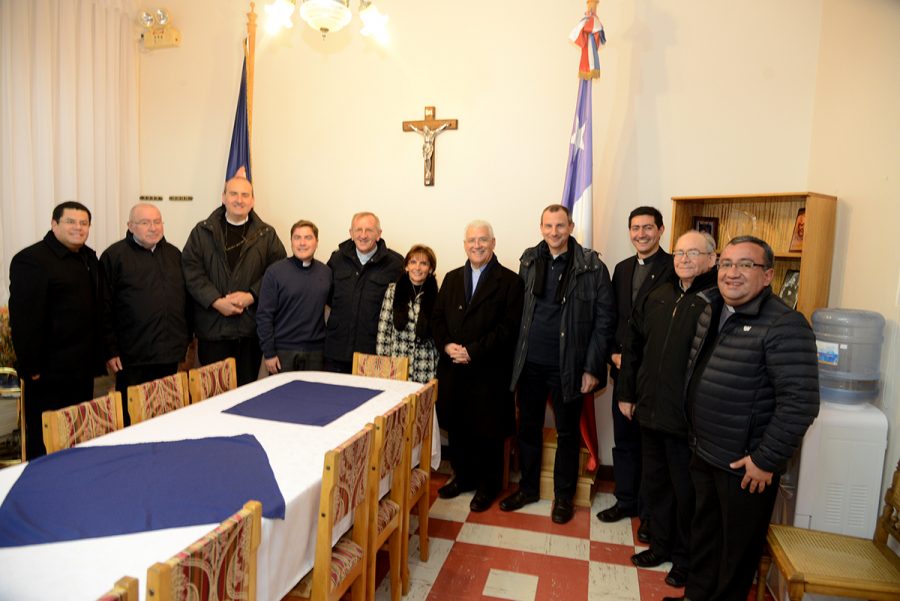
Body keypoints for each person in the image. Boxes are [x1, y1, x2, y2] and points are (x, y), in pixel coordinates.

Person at [668, 236, 819, 601]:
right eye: (727, 264)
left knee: (735, 555)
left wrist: (765, 460)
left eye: (745, 265)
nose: (732, 273)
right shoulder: (713, 309)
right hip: (706, 451)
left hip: (745, 465)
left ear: (767, 275)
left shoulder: (785, 325)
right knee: (704, 536)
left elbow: (800, 403)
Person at [499, 204, 615, 524]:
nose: (554, 232)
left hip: (570, 366)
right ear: (540, 228)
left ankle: (563, 497)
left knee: (567, 433)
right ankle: (528, 488)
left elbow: (604, 322)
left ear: (571, 226)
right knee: (529, 429)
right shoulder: (528, 260)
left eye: (560, 226)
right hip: (530, 364)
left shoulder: (591, 266)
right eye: (548, 226)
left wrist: (592, 368)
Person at [616, 230, 718, 588]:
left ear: (712, 259)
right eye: (679, 253)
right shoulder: (658, 295)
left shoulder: (716, 303)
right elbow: (632, 349)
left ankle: (685, 559)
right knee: (655, 484)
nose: (684, 260)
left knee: (685, 492)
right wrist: (626, 395)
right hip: (649, 410)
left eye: (694, 253)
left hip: (687, 421)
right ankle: (659, 545)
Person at [432, 220, 524, 512]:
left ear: (493, 243)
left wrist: (472, 351)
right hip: (454, 369)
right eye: (471, 240)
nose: (477, 245)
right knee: (458, 428)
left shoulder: (510, 282)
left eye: (483, 240)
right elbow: (437, 320)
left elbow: (508, 330)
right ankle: (463, 477)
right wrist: (447, 345)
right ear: (464, 244)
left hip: (488, 371)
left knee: (487, 430)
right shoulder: (451, 278)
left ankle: (488, 484)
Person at [597, 206, 674, 537]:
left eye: (647, 228)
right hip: (622, 373)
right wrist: (612, 353)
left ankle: (649, 514)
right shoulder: (622, 268)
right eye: (635, 228)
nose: (641, 234)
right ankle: (625, 500)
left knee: (651, 449)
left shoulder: (674, 268)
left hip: (654, 379)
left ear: (660, 230)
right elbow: (615, 317)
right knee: (623, 441)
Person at [8, 201, 104, 459]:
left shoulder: (89, 257)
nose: (78, 228)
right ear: (54, 224)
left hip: (81, 367)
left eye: (84, 223)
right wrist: (32, 367)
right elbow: (24, 319)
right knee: (45, 438)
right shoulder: (31, 260)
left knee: (75, 431)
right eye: (71, 222)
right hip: (48, 372)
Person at [182, 176, 285, 386]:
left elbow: (278, 272)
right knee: (214, 396)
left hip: (249, 330)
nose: (239, 199)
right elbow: (191, 272)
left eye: (245, 195)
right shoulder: (202, 232)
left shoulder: (267, 234)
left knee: (246, 395)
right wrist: (216, 301)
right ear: (224, 197)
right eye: (234, 194)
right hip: (213, 330)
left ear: (253, 200)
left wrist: (252, 296)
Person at [100, 203, 191, 425]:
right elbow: (104, 308)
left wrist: (186, 340)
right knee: (133, 418)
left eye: (157, 222)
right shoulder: (114, 256)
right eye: (145, 222)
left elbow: (186, 301)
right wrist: (110, 350)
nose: (153, 228)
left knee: (166, 415)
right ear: (130, 226)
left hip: (169, 353)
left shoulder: (174, 254)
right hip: (132, 357)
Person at [324, 212, 403, 373]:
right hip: (337, 352)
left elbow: (399, 305)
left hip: (374, 354)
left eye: (369, 230)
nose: (363, 235)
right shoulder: (336, 260)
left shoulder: (395, 264)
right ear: (351, 234)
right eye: (358, 230)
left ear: (379, 234)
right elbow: (327, 297)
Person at [256, 220, 331, 374]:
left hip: (316, 352)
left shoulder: (326, 272)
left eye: (308, 238)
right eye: (297, 237)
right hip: (283, 352)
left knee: (314, 397)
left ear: (317, 242)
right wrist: (269, 353)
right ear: (291, 241)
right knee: (282, 397)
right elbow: (264, 315)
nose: (302, 243)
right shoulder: (274, 272)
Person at [376, 244, 439, 383]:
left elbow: (438, 337)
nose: (417, 268)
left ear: (430, 269)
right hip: (397, 366)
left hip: (425, 368)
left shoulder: (438, 295)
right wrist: (384, 365)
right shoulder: (393, 291)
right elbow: (383, 331)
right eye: (413, 262)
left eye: (423, 263)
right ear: (406, 267)